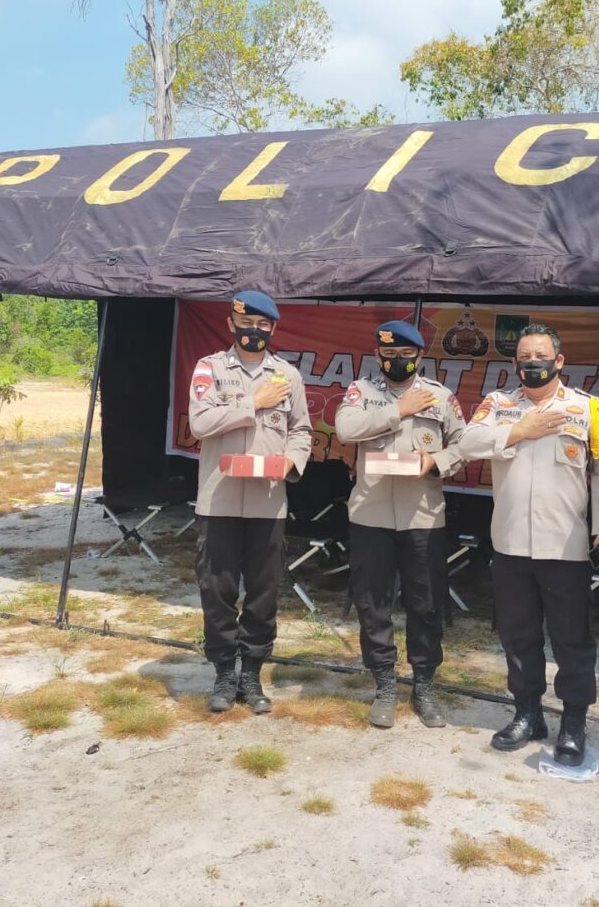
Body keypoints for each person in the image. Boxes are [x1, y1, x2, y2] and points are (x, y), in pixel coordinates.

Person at [459, 323, 599, 764]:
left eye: (541, 356)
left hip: (565, 545)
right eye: (525, 358)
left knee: (573, 639)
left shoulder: (586, 408)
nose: (533, 363)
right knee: (518, 636)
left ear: (559, 361)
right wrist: (519, 431)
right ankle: (527, 713)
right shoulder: (499, 404)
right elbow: (468, 443)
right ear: (515, 364)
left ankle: (573, 721)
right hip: (511, 542)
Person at [334, 320, 466, 729]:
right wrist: (399, 411)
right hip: (370, 513)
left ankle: (424, 684)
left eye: (406, 355)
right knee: (373, 602)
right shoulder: (362, 392)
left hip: (422, 515)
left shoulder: (440, 397)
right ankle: (385, 683)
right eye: (389, 355)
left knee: (426, 604)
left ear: (420, 356)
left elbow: (464, 445)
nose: (397, 361)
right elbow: (345, 429)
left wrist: (436, 461)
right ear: (377, 356)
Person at [188, 291, 312, 714]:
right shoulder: (209, 368)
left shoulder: (288, 376)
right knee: (217, 590)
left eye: (262, 325)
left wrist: (291, 462)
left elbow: (301, 430)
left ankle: (252, 674)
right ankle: (224, 673)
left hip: (267, 501)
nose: (253, 331)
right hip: (218, 499)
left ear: (273, 328)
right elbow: (200, 422)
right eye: (246, 324)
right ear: (231, 325)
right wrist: (252, 403)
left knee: (263, 592)